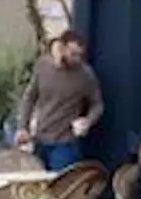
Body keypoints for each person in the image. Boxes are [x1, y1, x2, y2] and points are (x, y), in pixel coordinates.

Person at [16, 30, 103, 171]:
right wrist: (22, 127)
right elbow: (30, 97)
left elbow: (97, 104)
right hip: (40, 139)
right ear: (62, 49)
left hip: (66, 142)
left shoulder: (86, 75)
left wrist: (88, 121)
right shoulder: (43, 66)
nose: (77, 59)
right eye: (73, 54)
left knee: (60, 186)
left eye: (81, 55)